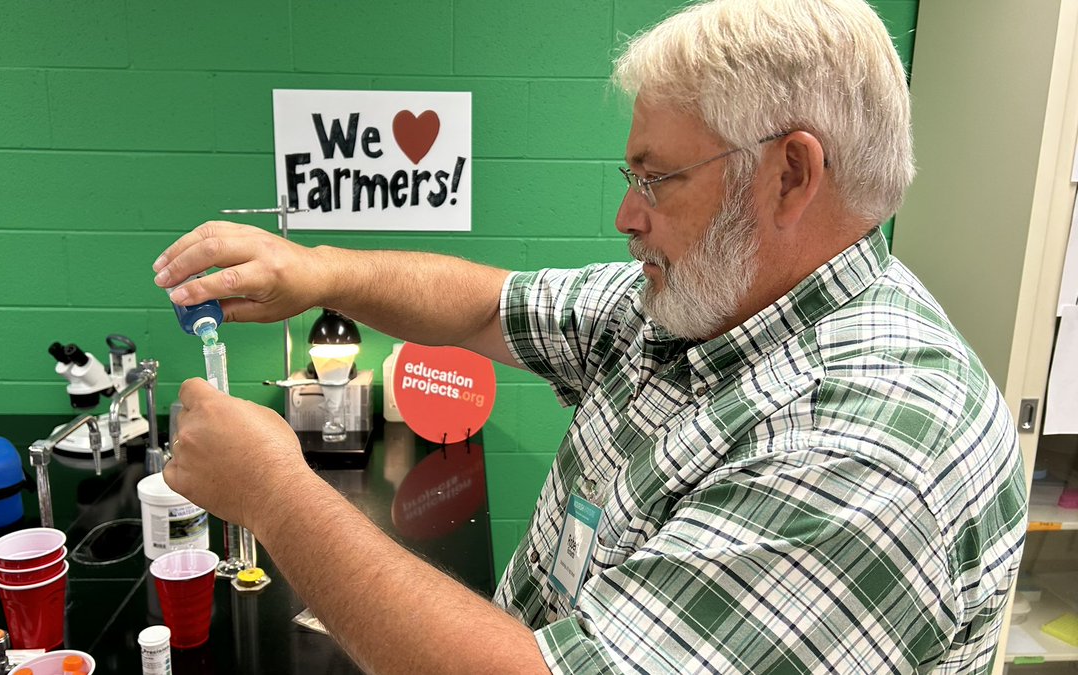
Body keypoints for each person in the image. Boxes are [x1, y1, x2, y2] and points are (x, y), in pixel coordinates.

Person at [153, 0, 1027, 671]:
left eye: (659, 180)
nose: (625, 215)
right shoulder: (707, 309)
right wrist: (316, 271)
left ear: (789, 174)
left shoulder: (869, 455)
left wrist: (272, 491)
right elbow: (491, 307)